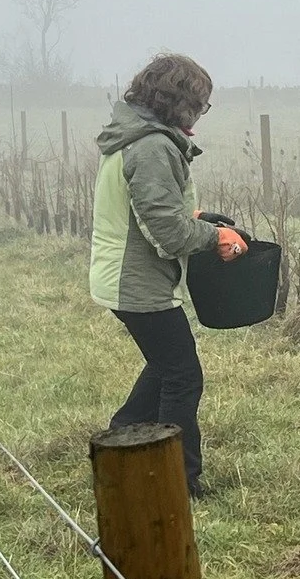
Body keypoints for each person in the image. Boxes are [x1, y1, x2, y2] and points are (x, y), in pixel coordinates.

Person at [89, 53, 244, 498]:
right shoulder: (152, 147)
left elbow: (151, 211)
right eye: (199, 104)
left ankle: (121, 442)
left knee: (165, 367)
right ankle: (180, 481)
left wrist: (199, 219)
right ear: (178, 102)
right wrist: (216, 237)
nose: (200, 114)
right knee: (182, 376)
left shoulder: (135, 135)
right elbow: (169, 232)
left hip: (125, 277)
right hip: (136, 284)